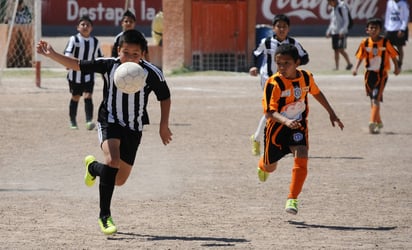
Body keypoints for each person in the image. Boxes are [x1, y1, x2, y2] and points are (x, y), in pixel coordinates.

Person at [36, 29, 173, 235]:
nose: (129, 58)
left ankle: (93, 168)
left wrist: (164, 125)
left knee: (118, 180)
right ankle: (104, 215)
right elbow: (79, 65)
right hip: (109, 120)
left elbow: (165, 97)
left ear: (143, 54)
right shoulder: (109, 64)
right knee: (112, 162)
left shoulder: (152, 73)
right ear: (119, 50)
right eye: (125, 52)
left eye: (135, 54)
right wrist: (52, 54)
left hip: (134, 128)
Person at [257, 44, 344, 215]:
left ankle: (292, 198)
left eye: (286, 63)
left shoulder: (306, 77)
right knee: (269, 167)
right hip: (276, 130)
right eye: (278, 64)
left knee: (302, 152)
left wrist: (331, 113)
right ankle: (262, 165)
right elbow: (269, 112)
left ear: (297, 62)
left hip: (298, 127)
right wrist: (286, 121)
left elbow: (317, 92)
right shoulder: (274, 83)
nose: (281, 68)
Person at [249, 14, 309, 156]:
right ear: (273, 28)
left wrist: (295, 64)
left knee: (279, 110)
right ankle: (258, 138)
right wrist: (253, 66)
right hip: (268, 80)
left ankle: (262, 138)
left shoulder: (293, 43)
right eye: (278, 26)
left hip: (285, 81)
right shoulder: (267, 42)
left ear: (288, 29)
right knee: (271, 110)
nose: (281, 29)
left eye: (284, 26)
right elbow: (256, 54)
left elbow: (305, 57)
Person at [352, 17, 400, 134]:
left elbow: (393, 55)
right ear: (367, 30)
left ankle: (372, 122)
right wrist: (355, 68)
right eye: (371, 27)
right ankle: (379, 121)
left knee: (376, 98)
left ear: (380, 30)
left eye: (376, 28)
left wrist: (396, 68)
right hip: (368, 74)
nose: (373, 30)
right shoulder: (365, 43)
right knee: (372, 99)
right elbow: (360, 56)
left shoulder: (385, 42)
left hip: (382, 74)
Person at [64, 15, 103, 130]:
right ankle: (72, 120)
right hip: (75, 75)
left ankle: (89, 120)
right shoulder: (74, 39)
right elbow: (68, 52)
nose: (85, 27)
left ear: (91, 28)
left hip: (89, 75)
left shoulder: (95, 41)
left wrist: (102, 71)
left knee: (88, 96)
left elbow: (99, 57)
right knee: (75, 96)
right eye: (83, 24)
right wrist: (67, 63)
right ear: (77, 27)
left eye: (88, 25)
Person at [325, 0, 353, 71]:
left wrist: (342, 31)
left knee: (341, 49)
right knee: (336, 50)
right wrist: (329, 31)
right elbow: (333, 22)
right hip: (334, 32)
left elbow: (346, 21)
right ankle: (336, 67)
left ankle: (349, 63)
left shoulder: (342, 7)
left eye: (329, 2)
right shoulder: (333, 8)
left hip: (341, 33)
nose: (329, 4)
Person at [384, 0, 410, 70]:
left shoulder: (403, 4)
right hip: (390, 28)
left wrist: (402, 29)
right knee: (387, 47)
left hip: (399, 28)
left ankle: (400, 63)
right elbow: (387, 15)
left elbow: (405, 17)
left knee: (399, 47)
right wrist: (386, 27)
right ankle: (390, 63)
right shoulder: (389, 2)